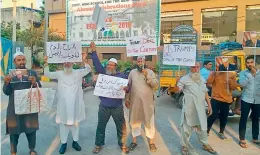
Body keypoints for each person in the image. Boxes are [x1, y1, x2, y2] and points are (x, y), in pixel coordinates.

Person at [43, 54, 91, 154]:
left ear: (72, 63)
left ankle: (75, 142)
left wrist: (84, 60)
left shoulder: (78, 72)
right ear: (62, 64)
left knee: (75, 123)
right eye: (65, 62)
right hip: (63, 105)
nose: (67, 64)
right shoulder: (59, 73)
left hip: (75, 104)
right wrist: (46, 63)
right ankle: (63, 143)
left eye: (69, 62)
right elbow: (47, 74)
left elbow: (88, 69)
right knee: (63, 124)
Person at [89, 42, 129, 154]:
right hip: (104, 106)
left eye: (111, 65)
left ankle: (122, 144)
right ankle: (98, 144)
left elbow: (128, 87)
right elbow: (96, 63)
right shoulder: (103, 73)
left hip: (117, 107)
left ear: (115, 66)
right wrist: (93, 51)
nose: (109, 66)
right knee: (101, 126)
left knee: (121, 126)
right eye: (108, 65)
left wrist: (126, 89)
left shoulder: (122, 76)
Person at [173, 62, 216, 155]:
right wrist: (176, 83)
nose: (196, 69)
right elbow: (177, 90)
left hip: (200, 108)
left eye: (197, 67)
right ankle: (184, 146)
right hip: (190, 109)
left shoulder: (201, 78)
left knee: (202, 128)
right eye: (193, 67)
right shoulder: (184, 79)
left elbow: (205, 92)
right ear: (190, 68)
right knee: (186, 128)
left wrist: (209, 105)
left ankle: (205, 144)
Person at [3, 52, 41, 155]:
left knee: (31, 130)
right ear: (14, 62)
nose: (21, 62)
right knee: (13, 132)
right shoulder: (10, 75)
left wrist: (34, 82)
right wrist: (6, 83)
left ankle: (32, 150)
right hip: (14, 109)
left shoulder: (32, 73)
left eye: (23, 60)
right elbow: (6, 92)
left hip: (29, 108)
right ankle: (13, 152)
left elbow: (40, 89)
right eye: (19, 60)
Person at [125, 56, 158, 152]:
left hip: (148, 103)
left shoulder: (150, 72)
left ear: (145, 62)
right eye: (138, 61)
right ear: (136, 62)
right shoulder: (132, 72)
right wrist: (127, 99)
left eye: (142, 61)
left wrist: (147, 75)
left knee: (149, 122)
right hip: (135, 103)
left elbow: (155, 84)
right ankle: (134, 141)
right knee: (135, 121)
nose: (140, 63)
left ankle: (151, 142)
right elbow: (129, 86)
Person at [207, 71, 239, 139]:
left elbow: (233, 87)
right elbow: (208, 83)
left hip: (226, 99)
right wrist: (213, 74)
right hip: (215, 98)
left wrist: (230, 81)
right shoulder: (215, 72)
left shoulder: (231, 74)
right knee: (213, 115)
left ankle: (221, 132)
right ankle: (207, 131)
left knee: (224, 116)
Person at [238, 55, 260, 148]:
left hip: (258, 100)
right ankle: (242, 139)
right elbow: (241, 84)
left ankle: (255, 138)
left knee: (256, 119)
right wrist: (251, 75)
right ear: (246, 64)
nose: (250, 64)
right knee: (243, 119)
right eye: (248, 62)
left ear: (254, 63)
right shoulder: (243, 73)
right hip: (246, 99)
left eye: (251, 62)